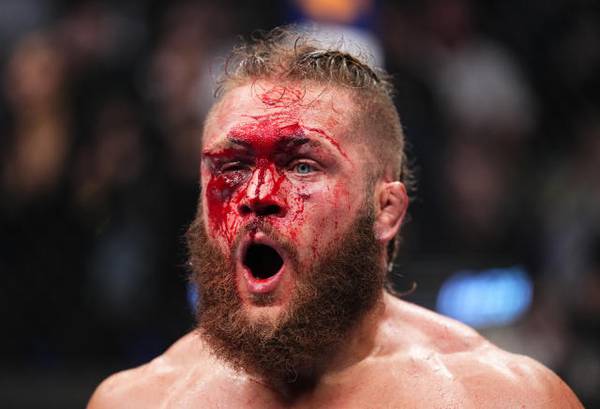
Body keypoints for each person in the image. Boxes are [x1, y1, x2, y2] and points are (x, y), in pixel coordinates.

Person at [88, 29, 583, 408]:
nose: (258, 196)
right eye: (233, 166)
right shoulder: (142, 401)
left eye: (303, 166)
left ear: (386, 210)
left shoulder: (494, 399)